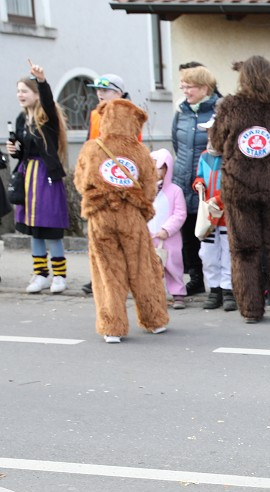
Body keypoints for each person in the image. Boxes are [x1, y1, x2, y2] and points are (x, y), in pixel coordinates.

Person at [209, 56, 270, 323]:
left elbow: (217, 142)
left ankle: (251, 309)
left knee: (244, 249)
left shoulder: (230, 106)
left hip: (240, 188)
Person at [73, 98, 169, 342]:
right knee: (142, 268)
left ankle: (112, 326)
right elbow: (149, 189)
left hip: (101, 217)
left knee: (107, 271)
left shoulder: (92, 148)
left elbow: (80, 182)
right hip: (131, 218)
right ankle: (154, 319)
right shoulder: (139, 152)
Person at [8, 60, 69, 295]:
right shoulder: (22, 119)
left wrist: (42, 81)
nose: (20, 95)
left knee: (49, 227)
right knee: (33, 229)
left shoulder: (48, 117)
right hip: (27, 175)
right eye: (18, 91)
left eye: (24, 91)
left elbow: (48, 99)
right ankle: (41, 275)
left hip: (46, 177)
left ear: (35, 94)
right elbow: (24, 150)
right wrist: (16, 151)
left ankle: (60, 276)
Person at [82, 73, 139, 296]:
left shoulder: (130, 115)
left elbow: (134, 148)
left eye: (105, 90)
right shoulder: (95, 114)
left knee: (125, 232)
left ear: (119, 93)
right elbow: (90, 143)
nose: (100, 94)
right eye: (98, 90)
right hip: (98, 178)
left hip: (120, 177)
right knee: (101, 232)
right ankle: (102, 276)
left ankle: (129, 277)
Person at [172, 63, 220, 300]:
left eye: (189, 86)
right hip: (184, 180)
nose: (185, 91)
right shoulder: (181, 112)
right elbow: (177, 144)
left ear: (204, 88)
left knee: (211, 232)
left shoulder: (218, 110)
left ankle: (221, 283)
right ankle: (196, 277)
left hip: (208, 182)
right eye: (183, 86)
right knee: (188, 230)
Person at [192, 119, 235, 312]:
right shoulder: (204, 156)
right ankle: (214, 289)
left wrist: (218, 200)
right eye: (208, 132)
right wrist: (198, 183)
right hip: (208, 216)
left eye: (213, 132)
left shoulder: (232, 157)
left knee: (227, 253)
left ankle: (228, 290)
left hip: (226, 214)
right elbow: (199, 175)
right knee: (208, 254)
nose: (210, 136)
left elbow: (233, 185)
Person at [148, 149, 188, 310]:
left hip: (169, 238)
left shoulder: (175, 191)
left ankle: (178, 293)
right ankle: (153, 294)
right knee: (150, 267)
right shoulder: (145, 190)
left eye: (159, 168)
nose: (156, 172)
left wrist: (167, 229)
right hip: (149, 236)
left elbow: (180, 213)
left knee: (173, 265)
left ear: (167, 169)